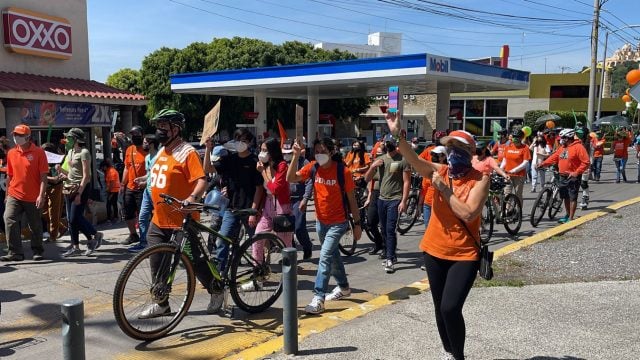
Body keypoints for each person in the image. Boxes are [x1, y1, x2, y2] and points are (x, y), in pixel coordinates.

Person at [385, 111, 489, 360]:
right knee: (438, 308)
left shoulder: (480, 180)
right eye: (450, 147)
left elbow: (468, 213)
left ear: (471, 153)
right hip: (433, 250)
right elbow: (412, 159)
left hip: (464, 255)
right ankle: (449, 351)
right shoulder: (440, 170)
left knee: (450, 307)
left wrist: (442, 189)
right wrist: (398, 134)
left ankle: (459, 356)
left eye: (459, 148)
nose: (453, 152)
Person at [140, 109, 216, 318]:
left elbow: (202, 180)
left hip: (182, 219)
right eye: (158, 126)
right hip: (159, 219)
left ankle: (216, 289)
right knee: (157, 261)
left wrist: (192, 199)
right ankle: (161, 302)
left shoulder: (187, 152)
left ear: (176, 129)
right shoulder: (162, 151)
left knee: (194, 260)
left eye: (164, 127)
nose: (159, 131)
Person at [287, 138, 362, 315]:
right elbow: (290, 178)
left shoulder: (343, 172)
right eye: (316, 151)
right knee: (333, 255)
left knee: (325, 256)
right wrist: (295, 155)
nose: (319, 154)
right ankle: (344, 287)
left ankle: (318, 297)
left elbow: (352, 200)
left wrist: (357, 225)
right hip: (321, 222)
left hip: (338, 223)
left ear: (331, 152)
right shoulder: (313, 167)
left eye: (322, 150)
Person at [204, 128, 264, 272]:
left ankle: (260, 270)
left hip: (249, 208)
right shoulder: (230, 159)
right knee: (222, 240)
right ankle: (220, 273)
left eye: (244, 141)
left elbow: (259, 188)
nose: (240, 143)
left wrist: (254, 211)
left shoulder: (255, 161)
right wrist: (208, 148)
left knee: (256, 243)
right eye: (238, 140)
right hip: (232, 208)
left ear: (249, 142)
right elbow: (208, 168)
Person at [245, 138, 294, 285]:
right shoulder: (263, 166)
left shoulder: (282, 165)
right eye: (261, 150)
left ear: (272, 151)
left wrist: (264, 174)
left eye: (265, 150)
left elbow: (275, 188)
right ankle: (258, 276)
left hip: (282, 208)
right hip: (268, 207)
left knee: (286, 245)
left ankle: (290, 279)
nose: (262, 153)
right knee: (257, 240)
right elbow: (262, 190)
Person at [0, 125, 48, 262]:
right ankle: (15, 252)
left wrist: (41, 195)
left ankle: (37, 250)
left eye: (19, 135)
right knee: (8, 218)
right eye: (15, 134)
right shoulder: (11, 153)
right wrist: (7, 194)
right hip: (14, 194)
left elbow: (43, 176)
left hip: (33, 196)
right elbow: (9, 175)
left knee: (35, 225)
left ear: (28, 137)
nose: (16, 137)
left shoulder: (39, 152)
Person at [364, 139, 411, 274]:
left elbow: (407, 182)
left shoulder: (403, 160)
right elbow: (367, 179)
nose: (388, 144)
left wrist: (404, 201)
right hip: (381, 199)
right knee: (384, 229)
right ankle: (392, 253)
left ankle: (390, 259)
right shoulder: (381, 159)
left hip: (395, 200)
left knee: (390, 229)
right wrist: (373, 166)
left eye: (391, 142)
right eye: (386, 142)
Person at [56, 128, 103, 257]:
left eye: (69, 138)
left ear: (76, 139)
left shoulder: (84, 153)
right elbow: (70, 173)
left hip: (81, 188)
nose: (67, 140)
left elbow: (86, 176)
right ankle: (76, 246)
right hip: (69, 188)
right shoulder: (70, 152)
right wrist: (60, 170)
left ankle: (92, 237)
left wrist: (79, 194)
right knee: (72, 220)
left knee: (74, 217)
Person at [537, 128, 590, 224]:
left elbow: (586, 162)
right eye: (561, 137)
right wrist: (543, 163)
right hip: (562, 175)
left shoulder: (579, 147)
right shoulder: (562, 148)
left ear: (570, 137)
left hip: (573, 176)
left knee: (572, 197)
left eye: (564, 137)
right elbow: (554, 157)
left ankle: (571, 218)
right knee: (565, 197)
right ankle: (567, 214)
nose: (562, 139)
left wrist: (576, 172)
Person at [282, 140, 314, 260]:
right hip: (284, 200)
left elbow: (309, 181)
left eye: (289, 152)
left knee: (299, 227)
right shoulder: (282, 163)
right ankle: (291, 252)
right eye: (284, 152)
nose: (287, 155)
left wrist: (305, 199)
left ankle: (307, 246)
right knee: (285, 229)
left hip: (298, 199)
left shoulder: (304, 162)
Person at [128, 135, 160, 253]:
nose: (143, 144)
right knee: (142, 217)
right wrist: (141, 179)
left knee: (159, 219)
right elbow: (149, 174)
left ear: (151, 143)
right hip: (147, 192)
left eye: (146, 142)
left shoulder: (159, 157)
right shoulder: (148, 158)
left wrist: (145, 181)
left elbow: (156, 175)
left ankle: (159, 244)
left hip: (157, 192)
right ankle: (143, 243)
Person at [120, 126, 148, 245]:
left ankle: (144, 238)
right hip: (130, 188)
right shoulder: (129, 149)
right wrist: (122, 184)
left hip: (143, 188)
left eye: (137, 135)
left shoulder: (148, 150)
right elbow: (127, 167)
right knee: (128, 213)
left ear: (142, 135)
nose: (134, 137)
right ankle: (133, 235)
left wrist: (146, 183)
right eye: (133, 135)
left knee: (143, 215)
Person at [363, 145, 386, 256]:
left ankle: (387, 248)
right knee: (370, 222)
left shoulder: (389, 164)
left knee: (384, 225)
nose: (377, 157)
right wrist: (368, 197)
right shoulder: (374, 166)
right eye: (376, 155)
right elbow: (369, 181)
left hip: (387, 195)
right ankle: (378, 242)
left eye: (380, 154)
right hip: (375, 194)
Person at [41, 142, 66, 244]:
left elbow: (57, 178)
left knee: (53, 212)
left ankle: (53, 235)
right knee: (44, 212)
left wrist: (47, 177)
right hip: (44, 187)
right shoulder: (41, 160)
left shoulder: (57, 162)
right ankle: (61, 227)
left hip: (55, 187)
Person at [500, 129, 530, 204]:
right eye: (514, 136)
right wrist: (500, 169)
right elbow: (504, 160)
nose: (515, 138)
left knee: (518, 195)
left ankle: (518, 212)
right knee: (507, 194)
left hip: (519, 175)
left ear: (521, 138)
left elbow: (525, 162)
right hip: (508, 175)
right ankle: (507, 212)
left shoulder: (525, 148)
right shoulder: (508, 147)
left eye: (517, 137)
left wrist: (514, 170)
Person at [100, 158, 120, 224]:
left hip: (113, 190)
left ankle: (110, 219)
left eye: (103, 167)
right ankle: (115, 217)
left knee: (108, 204)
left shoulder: (111, 171)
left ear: (105, 166)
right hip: (114, 189)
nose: (102, 169)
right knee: (114, 204)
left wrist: (107, 189)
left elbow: (111, 182)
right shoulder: (110, 171)